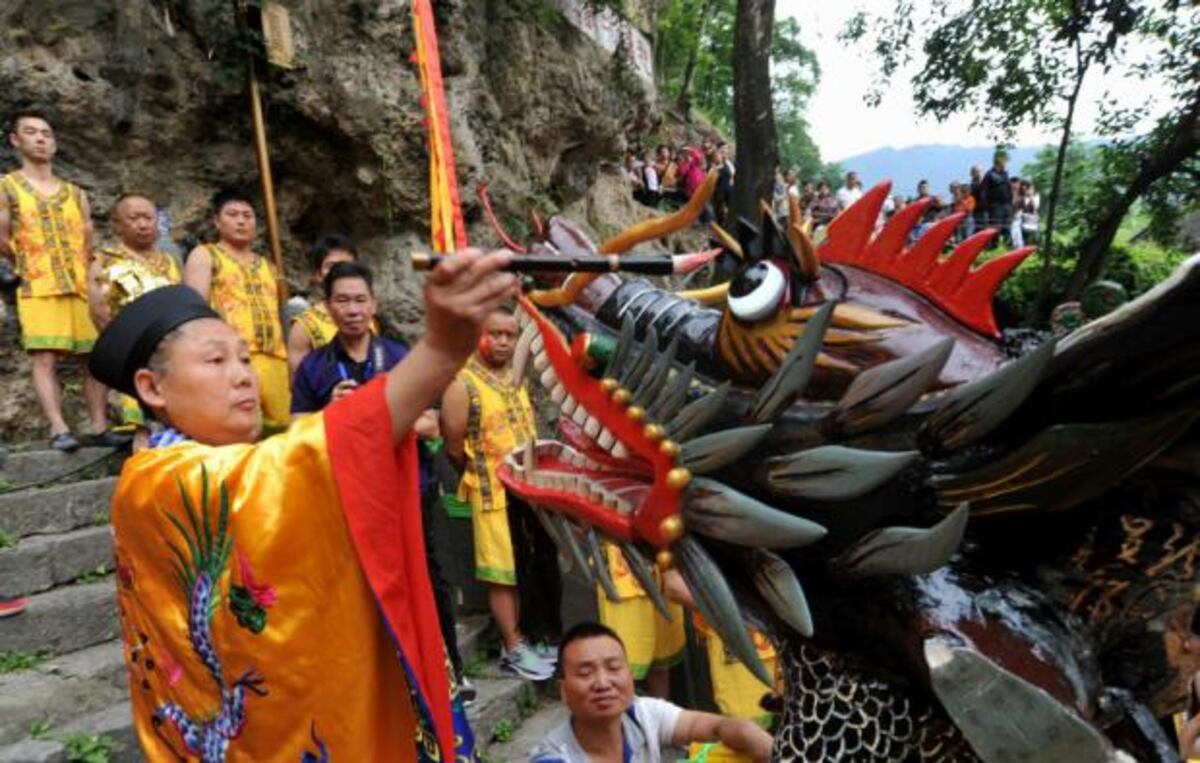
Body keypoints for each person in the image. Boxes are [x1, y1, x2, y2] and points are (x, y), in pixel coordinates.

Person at [88, 248, 519, 760]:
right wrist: (441, 352)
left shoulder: (210, 464)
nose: (244, 375)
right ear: (151, 387)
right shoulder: (155, 480)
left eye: (245, 358)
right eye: (216, 360)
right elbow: (298, 463)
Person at [291, 260, 473, 702]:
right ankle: (383, 676)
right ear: (327, 308)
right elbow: (296, 433)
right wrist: (331, 413)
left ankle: (451, 672)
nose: (352, 309)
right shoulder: (314, 368)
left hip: (409, 490)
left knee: (430, 579)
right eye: (342, 301)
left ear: (373, 303)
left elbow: (431, 424)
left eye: (360, 300)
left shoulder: (398, 358)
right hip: (348, 496)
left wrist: (374, 420)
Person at [441, 308, 557, 681]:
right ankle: (512, 645)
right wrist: (476, 474)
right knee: (501, 573)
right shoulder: (462, 383)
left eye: (510, 334)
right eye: (495, 334)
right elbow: (454, 445)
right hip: (491, 491)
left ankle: (535, 633)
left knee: (529, 566)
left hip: (528, 488)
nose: (504, 342)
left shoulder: (515, 377)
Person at [0, 111, 116, 451]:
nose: (40, 139)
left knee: (92, 357)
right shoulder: (7, 186)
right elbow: (2, 236)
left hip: (78, 283)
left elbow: (87, 242)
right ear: (15, 141)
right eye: (31, 132)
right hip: (37, 282)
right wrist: (24, 265)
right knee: (45, 356)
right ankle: (58, 426)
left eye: (46, 134)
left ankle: (98, 425)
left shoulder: (75, 193)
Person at [530, 622, 775, 763]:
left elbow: (707, 726)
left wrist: (749, 733)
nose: (603, 683)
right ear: (564, 690)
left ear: (629, 675)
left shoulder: (642, 713)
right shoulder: (553, 758)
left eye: (613, 668)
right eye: (585, 673)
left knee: (738, 752)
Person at [183, 190, 290, 429]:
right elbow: (194, 311)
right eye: (232, 214)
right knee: (240, 427)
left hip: (276, 357)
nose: (241, 221)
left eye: (247, 216)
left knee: (284, 429)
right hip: (232, 358)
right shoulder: (205, 255)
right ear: (217, 221)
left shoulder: (268, 265)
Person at [87, 194, 182, 433]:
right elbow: (99, 311)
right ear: (118, 224)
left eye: (148, 217)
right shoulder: (106, 261)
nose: (142, 224)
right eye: (134, 218)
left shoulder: (170, 261)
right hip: (131, 348)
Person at [663, 571, 779, 763]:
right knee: (747, 735)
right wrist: (731, 609)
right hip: (740, 648)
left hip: (782, 642)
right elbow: (674, 587)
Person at [595, 543, 685, 700]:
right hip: (623, 572)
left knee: (661, 662)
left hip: (662, 561)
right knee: (625, 664)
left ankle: (659, 718)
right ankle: (622, 720)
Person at [286, 234, 358, 376]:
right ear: (318, 274)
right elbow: (299, 386)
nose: (340, 273)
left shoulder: (368, 318)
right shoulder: (304, 327)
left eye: (347, 266)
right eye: (331, 266)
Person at [979, 150, 1013, 242]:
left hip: (1007, 205)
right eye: (1004, 162)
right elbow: (983, 191)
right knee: (995, 228)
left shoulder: (1005, 174)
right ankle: (994, 246)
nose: (1006, 164)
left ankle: (1007, 245)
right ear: (998, 163)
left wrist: (1011, 203)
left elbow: (1009, 189)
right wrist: (986, 206)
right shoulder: (989, 175)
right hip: (995, 206)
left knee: (1007, 227)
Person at [1018, 179, 1040, 246]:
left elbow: (1035, 208)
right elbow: (1021, 209)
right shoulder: (1022, 197)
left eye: (1029, 187)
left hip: (1034, 221)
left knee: (1035, 239)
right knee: (1024, 239)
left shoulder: (1036, 196)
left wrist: (1031, 197)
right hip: (1024, 222)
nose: (1027, 189)